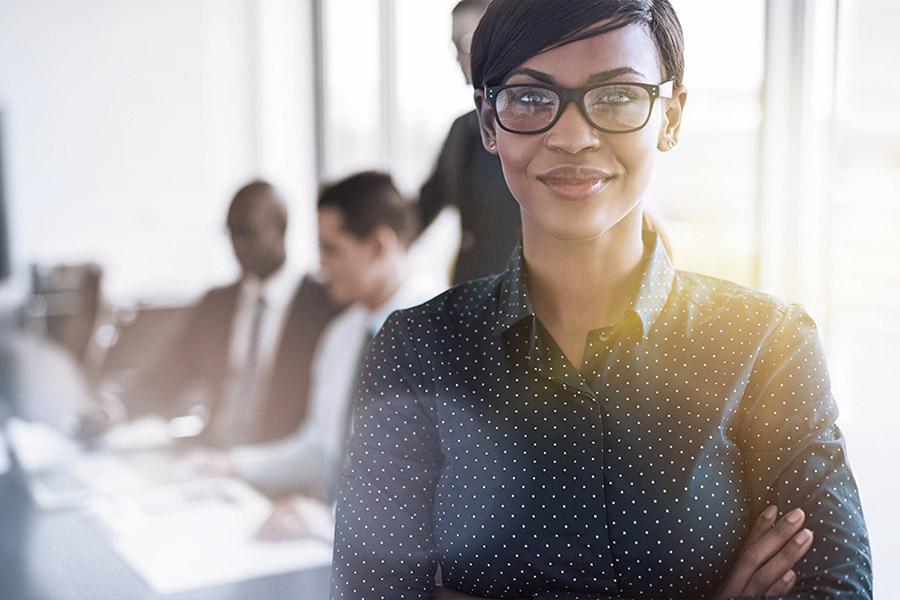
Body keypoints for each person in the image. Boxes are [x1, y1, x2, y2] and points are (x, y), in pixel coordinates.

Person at [330, 1, 872, 599]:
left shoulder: (766, 345)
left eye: (616, 96)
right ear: (488, 121)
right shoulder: (417, 350)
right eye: (532, 98)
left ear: (670, 117)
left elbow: (834, 588)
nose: (572, 136)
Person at [216, 172, 443, 505]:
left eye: (331, 249)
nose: (321, 266)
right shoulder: (341, 335)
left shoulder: (448, 335)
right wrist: (233, 466)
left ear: (380, 246)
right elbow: (320, 451)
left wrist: (328, 524)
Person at [121, 180, 343, 446]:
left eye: (246, 232)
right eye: (231, 232)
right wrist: (116, 408)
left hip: (280, 469)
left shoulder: (324, 306)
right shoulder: (217, 304)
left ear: (280, 229)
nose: (237, 245)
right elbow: (168, 375)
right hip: (212, 456)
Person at [418, 0, 521, 284]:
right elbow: (425, 206)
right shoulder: (462, 128)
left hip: (523, 293)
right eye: (454, 45)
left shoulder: (534, 124)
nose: (458, 57)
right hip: (470, 288)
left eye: (465, 41)